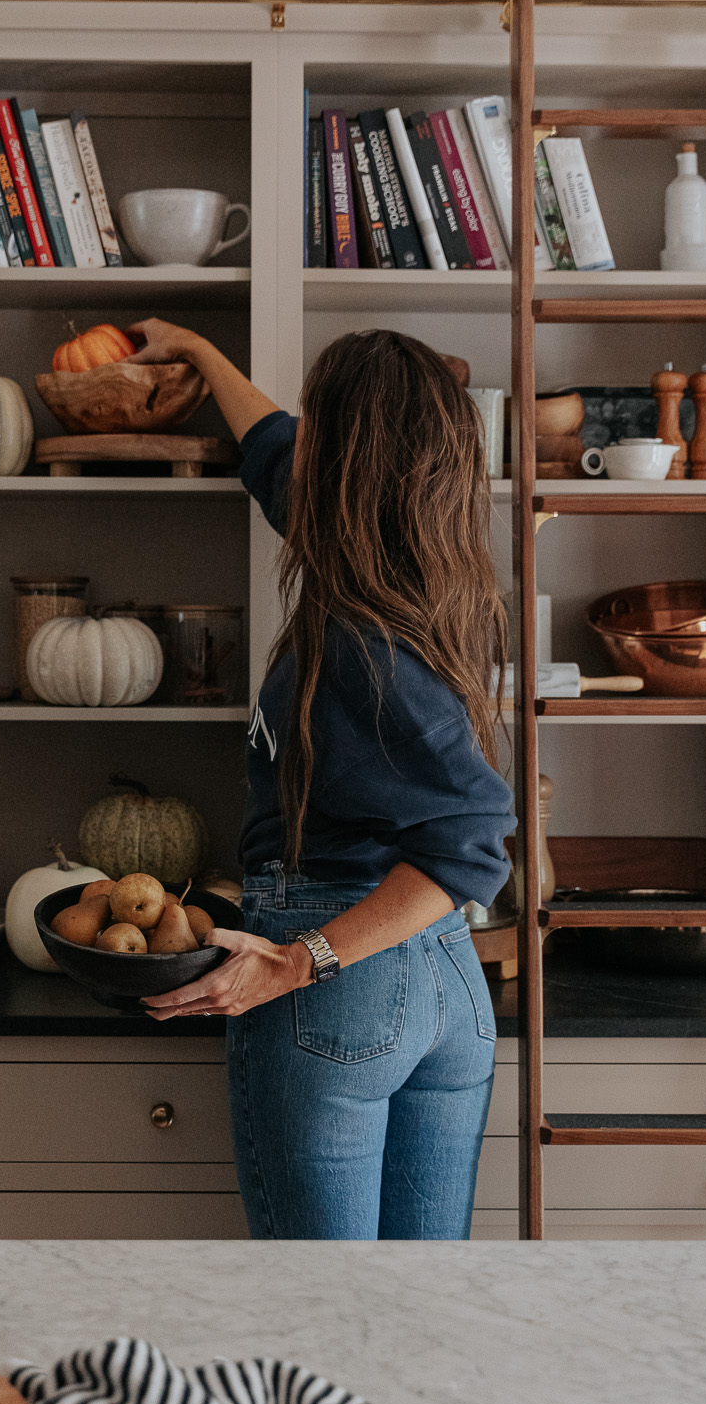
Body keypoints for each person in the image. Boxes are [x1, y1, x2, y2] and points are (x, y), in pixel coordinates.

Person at [132, 321, 513, 1241]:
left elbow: (470, 846)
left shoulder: (359, 646)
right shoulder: (408, 576)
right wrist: (199, 353)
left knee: (321, 1316)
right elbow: (272, 451)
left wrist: (301, 961)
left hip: (335, 971)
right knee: (412, 1315)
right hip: (444, 985)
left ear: (341, 467)